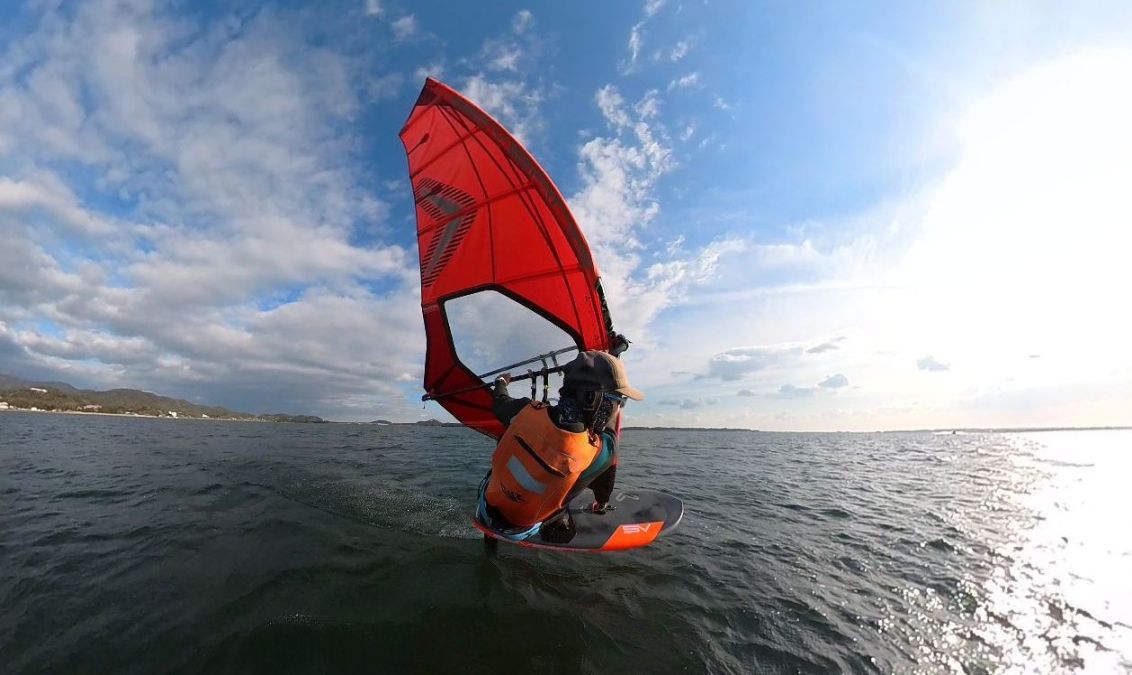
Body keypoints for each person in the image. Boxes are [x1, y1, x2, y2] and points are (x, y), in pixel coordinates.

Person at [476, 348, 644, 543]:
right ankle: (563, 521)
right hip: (522, 528)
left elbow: (500, 400)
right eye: (619, 402)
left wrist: (501, 382)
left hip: (487, 506)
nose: (618, 409)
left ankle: (490, 537)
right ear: (593, 399)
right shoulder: (597, 453)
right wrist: (602, 502)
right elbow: (611, 432)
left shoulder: (523, 411)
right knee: (567, 509)